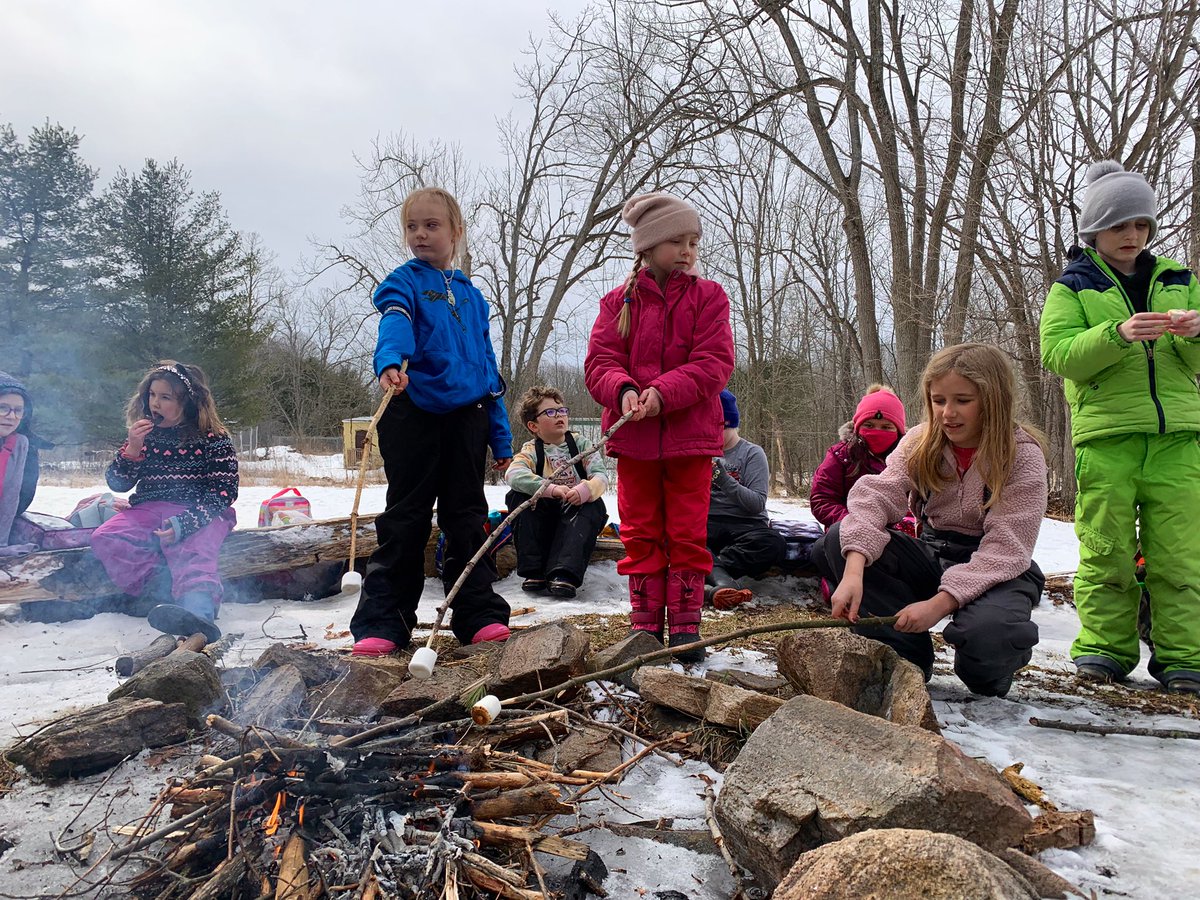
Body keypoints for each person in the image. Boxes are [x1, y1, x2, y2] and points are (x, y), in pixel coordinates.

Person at [1040, 160, 1200, 695]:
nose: (1132, 234)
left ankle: (1184, 657)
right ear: (1094, 231)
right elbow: (1059, 354)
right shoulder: (1073, 285)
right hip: (1106, 439)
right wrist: (1118, 333)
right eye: (1118, 225)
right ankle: (1105, 650)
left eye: (1141, 224)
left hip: (1178, 438)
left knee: (1180, 552)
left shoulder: (1179, 279)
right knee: (1107, 548)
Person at [810, 343, 1047, 698]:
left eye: (962, 401)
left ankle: (990, 665)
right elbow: (877, 496)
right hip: (932, 553)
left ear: (993, 398)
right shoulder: (919, 441)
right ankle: (905, 656)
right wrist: (854, 571)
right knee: (838, 539)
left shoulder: (1023, 455)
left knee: (989, 640)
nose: (948, 413)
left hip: (998, 568)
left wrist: (937, 606)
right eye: (939, 401)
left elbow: (1006, 547)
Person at [350, 186, 514, 657]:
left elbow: (488, 369)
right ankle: (385, 619)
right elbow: (395, 320)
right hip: (412, 409)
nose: (421, 234)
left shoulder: (473, 296)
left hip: (469, 416)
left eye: (432, 225)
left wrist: (500, 435)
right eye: (412, 226)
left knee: (467, 517)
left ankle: (477, 612)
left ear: (456, 231)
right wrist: (391, 360)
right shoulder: (403, 282)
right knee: (405, 516)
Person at [585, 192, 735, 662]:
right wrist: (623, 389)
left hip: (691, 441)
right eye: (677, 241)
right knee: (641, 530)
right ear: (647, 247)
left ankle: (687, 626)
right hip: (634, 442)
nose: (688, 251)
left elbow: (715, 363)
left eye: (693, 241)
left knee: (688, 532)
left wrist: (664, 393)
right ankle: (646, 625)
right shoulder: (617, 303)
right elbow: (599, 363)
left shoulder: (710, 297)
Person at [91, 362, 238, 642]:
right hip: (149, 507)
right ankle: (159, 592)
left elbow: (224, 491)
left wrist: (186, 523)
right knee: (107, 537)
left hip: (202, 509)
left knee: (194, 547)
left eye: (165, 397)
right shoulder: (144, 437)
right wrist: (132, 448)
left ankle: (199, 614)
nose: (155, 403)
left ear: (188, 402)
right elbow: (118, 483)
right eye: (152, 395)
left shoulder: (214, 439)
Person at [504, 385, 609, 598]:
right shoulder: (531, 450)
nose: (559, 416)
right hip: (544, 515)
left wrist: (586, 489)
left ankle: (565, 574)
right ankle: (534, 571)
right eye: (550, 413)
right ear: (533, 425)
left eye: (562, 411)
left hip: (576, 514)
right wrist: (550, 489)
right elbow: (513, 474)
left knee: (593, 504)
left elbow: (601, 476)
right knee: (517, 496)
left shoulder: (581, 445)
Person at [705, 389, 785, 608]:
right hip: (708, 523)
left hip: (746, 526)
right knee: (677, 538)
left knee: (772, 544)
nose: (712, 433)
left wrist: (723, 479)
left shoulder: (752, 453)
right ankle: (720, 582)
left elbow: (756, 503)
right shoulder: (700, 451)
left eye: (719, 427)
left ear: (731, 424)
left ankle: (711, 575)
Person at [809, 385, 907, 529]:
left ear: (898, 430)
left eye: (886, 427)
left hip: (899, 534)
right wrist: (852, 522)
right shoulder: (840, 456)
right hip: (847, 529)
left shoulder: (910, 458)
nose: (877, 431)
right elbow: (822, 499)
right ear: (857, 427)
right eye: (869, 425)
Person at [0, 371, 51, 552]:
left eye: (18, 410)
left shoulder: (21, 446)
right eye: (2, 407)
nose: (11, 416)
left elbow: (17, 498)